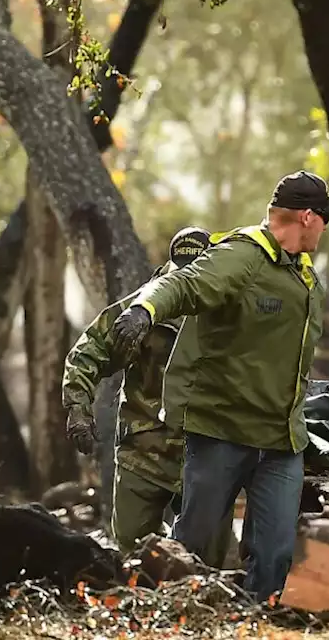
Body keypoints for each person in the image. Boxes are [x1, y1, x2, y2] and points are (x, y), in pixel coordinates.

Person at [109, 170, 329, 600]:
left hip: (281, 441)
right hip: (222, 432)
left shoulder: (303, 272)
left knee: (274, 553)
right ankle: (166, 618)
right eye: (326, 218)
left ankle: (254, 621)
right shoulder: (242, 255)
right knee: (191, 548)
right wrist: (145, 308)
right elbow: (184, 282)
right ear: (308, 217)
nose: (327, 228)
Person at [62, 226, 233, 565]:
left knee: (204, 563)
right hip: (144, 452)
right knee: (133, 558)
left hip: (207, 455)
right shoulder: (142, 309)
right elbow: (90, 350)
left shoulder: (234, 311)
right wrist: (78, 406)